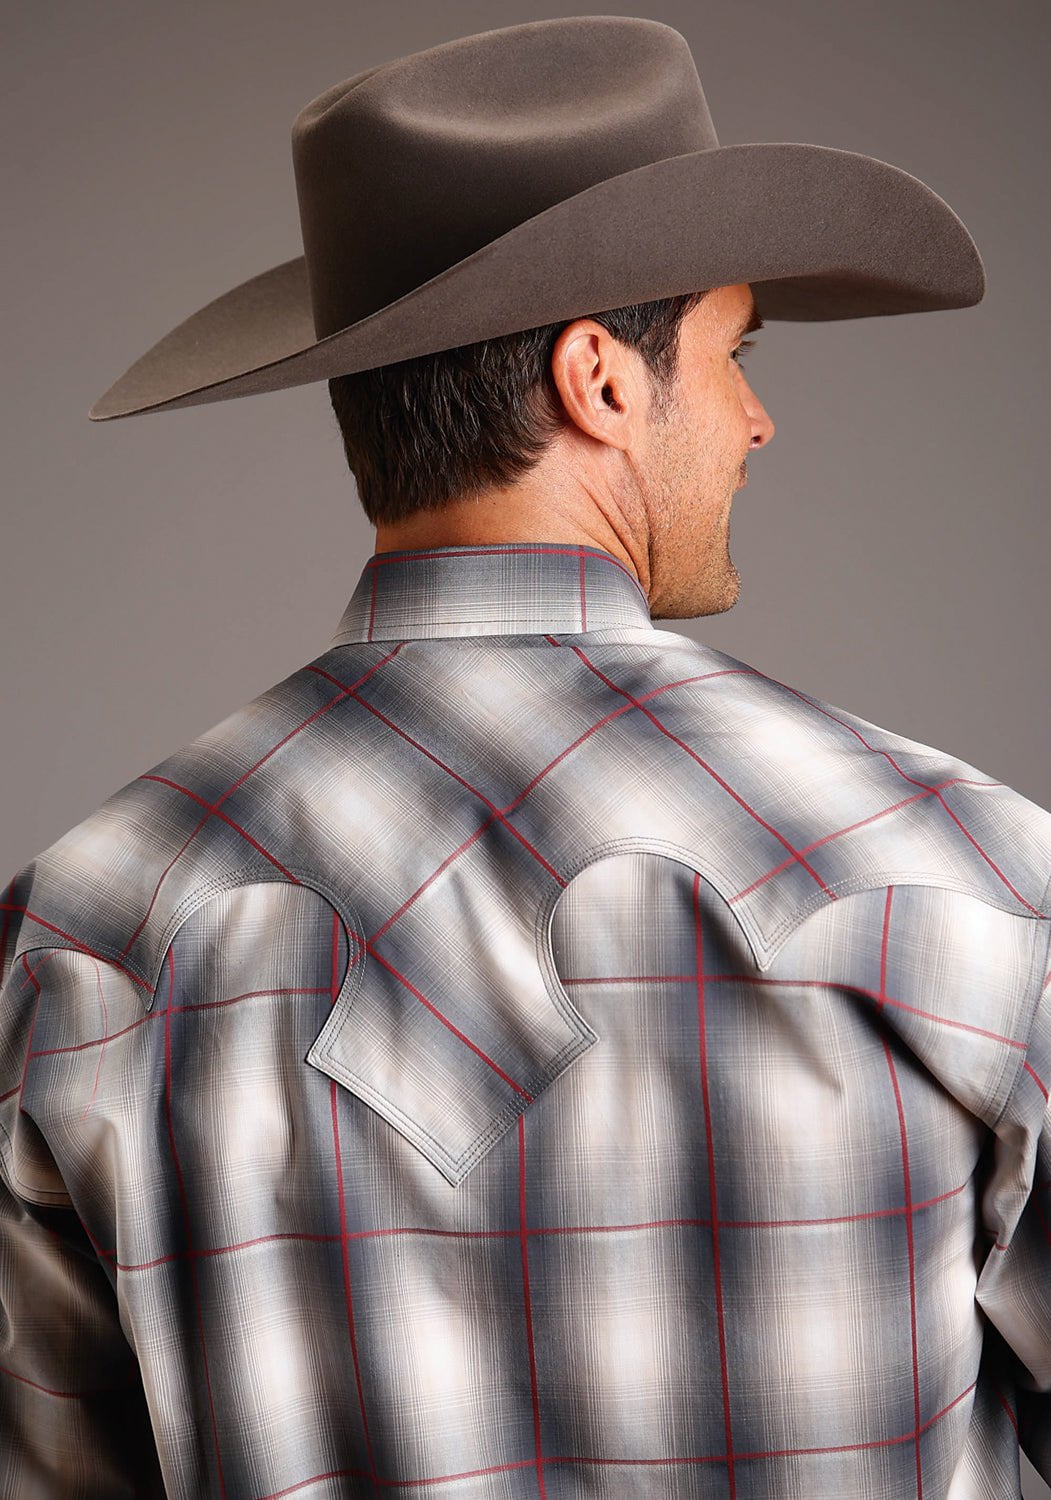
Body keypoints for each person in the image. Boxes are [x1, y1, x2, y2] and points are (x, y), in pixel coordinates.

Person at [1, 15, 1048, 1499]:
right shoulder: (965, 880)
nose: (758, 422)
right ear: (599, 379)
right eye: (735, 353)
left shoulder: (74, 944)